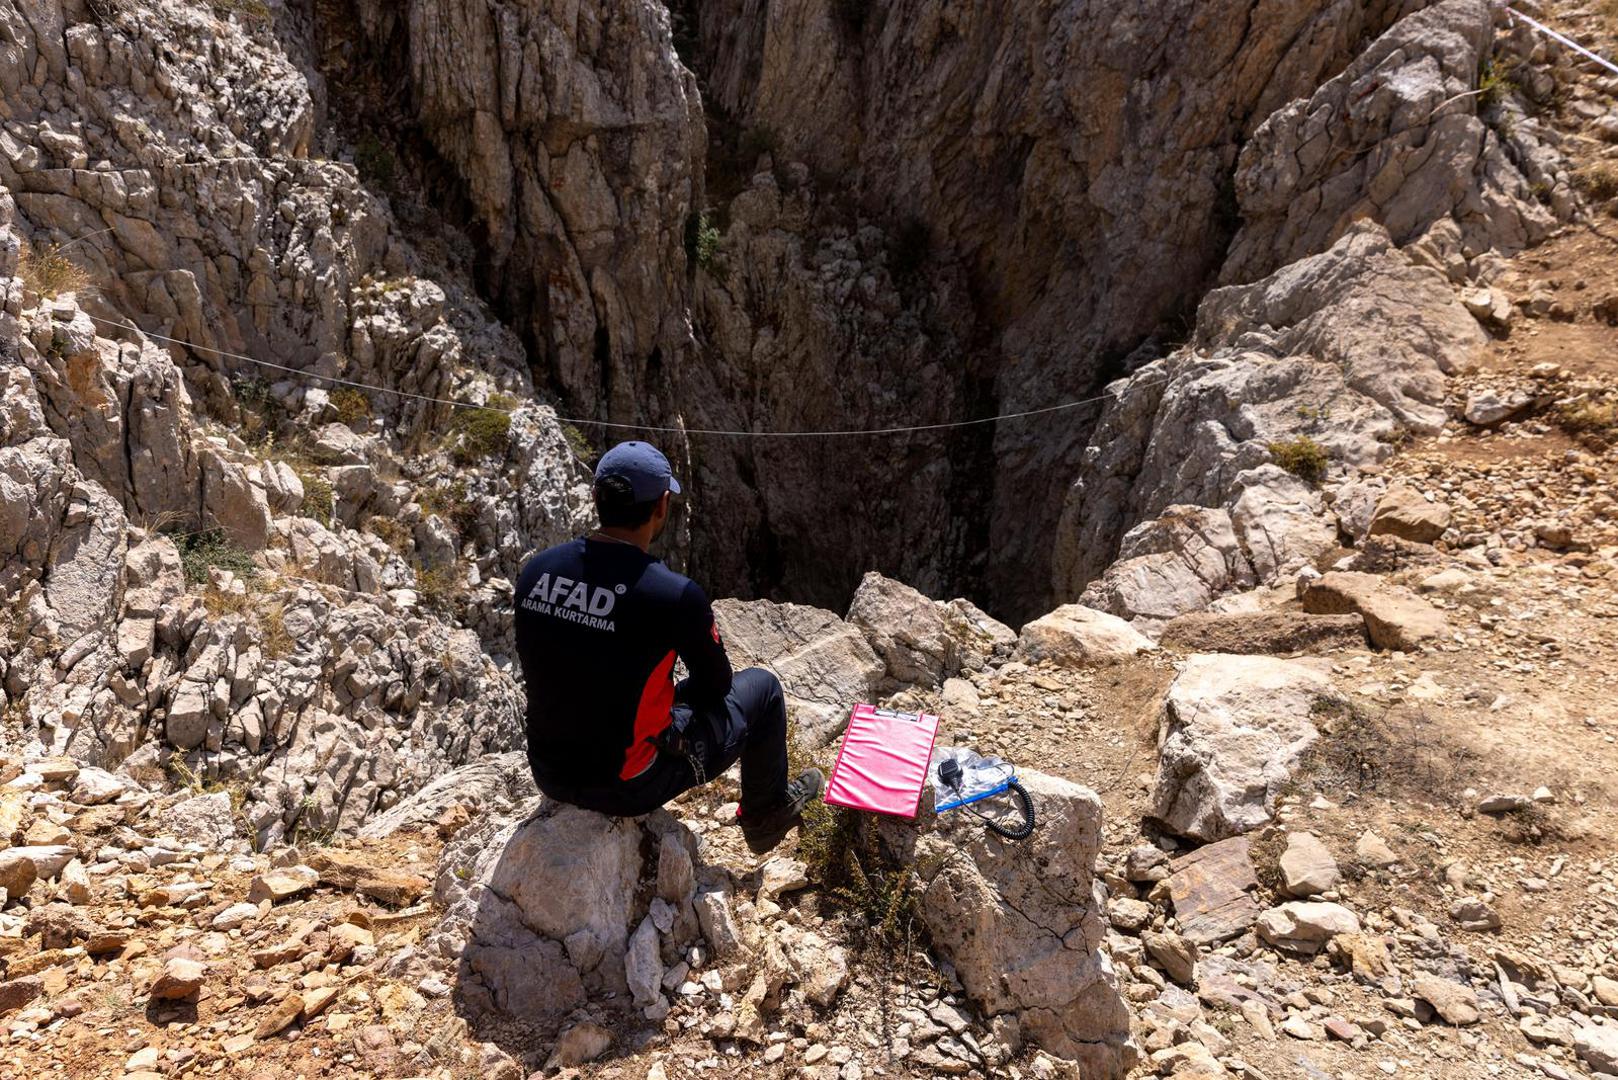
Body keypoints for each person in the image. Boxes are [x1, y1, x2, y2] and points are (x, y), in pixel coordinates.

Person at [513, 439, 823, 854]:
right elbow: (716, 686)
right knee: (763, 690)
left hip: (549, 771)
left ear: (596, 498)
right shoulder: (672, 595)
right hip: (626, 785)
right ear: (661, 506)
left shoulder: (537, 571)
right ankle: (765, 816)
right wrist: (674, 702)